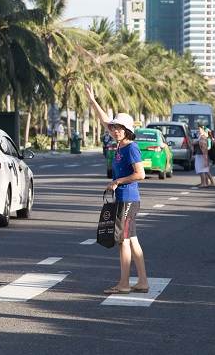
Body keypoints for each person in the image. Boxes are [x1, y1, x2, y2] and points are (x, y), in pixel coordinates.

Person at [86, 83, 150, 294]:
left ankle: (124, 284)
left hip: (128, 198)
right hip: (125, 199)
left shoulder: (131, 147)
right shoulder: (119, 144)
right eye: (114, 128)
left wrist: (117, 181)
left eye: (119, 128)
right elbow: (105, 121)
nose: (115, 130)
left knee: (123, 241)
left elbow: (140, 174)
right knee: (131, 240)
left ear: (128, 130)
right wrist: (93, 100)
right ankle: (142, 282)